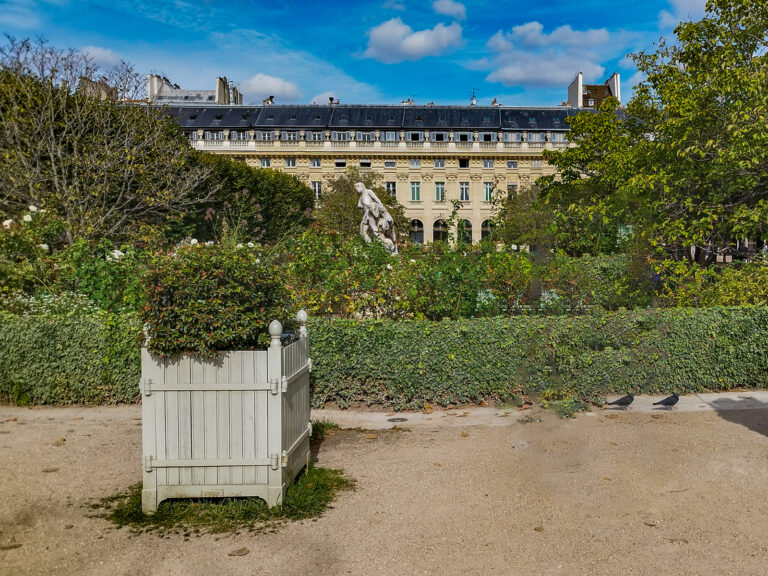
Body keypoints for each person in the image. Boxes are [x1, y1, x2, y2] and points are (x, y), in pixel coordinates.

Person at [355, 182, 397, 253]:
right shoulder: (361, 196)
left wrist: (380, 207)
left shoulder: (368, 191)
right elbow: (359, 206)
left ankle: (379, 246)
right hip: (368, 214)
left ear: (361, 186)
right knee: (364, 231)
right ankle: (371, 246)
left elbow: (376, 199)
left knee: (375, 230)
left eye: (357, 188)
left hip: (373, 211)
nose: (356, 191)